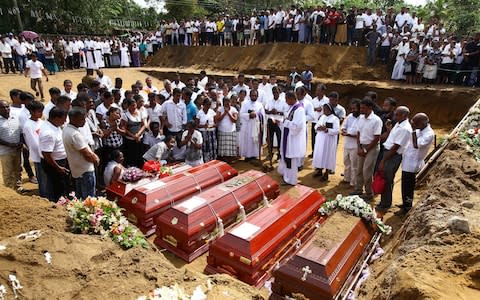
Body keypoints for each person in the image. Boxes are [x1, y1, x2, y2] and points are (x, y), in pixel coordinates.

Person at [377, 106, 412, 212]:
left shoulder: (405, 129)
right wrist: (389, 130)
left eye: (397, 114)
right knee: (385, 177)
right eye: (395, 114)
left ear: (405, 116)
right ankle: (384, 201)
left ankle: (385, 204)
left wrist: (383, 161)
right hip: (388, 153)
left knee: (387, 179)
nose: (395, 116)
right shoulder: (399, 124)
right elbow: (394, 138)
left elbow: (395, 147)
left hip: (392, 155)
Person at [398, 113, 434, 215]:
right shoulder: (420, 129)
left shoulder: (429, 134)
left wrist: (413, 130)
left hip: (413, 163)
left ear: (422, 123)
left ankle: (407, 207)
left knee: (408, 187)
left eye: (415, 123)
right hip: (407, 161)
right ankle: (405, 202)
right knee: (404, 185)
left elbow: (416, 145)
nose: (413, 124)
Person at [63, 107, 99, 199]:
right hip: (85, 171)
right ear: (73, 119)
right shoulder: (75, 134)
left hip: (77, 170)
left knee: (81, 197)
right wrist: (96, 159)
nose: (84, 121)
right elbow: (87, 155)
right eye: (82, 119)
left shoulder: (66, 129)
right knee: (89, 199)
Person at [351, 98, 382, 201]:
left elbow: (377, 137)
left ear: (370, 108)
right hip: (362, 146)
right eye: (361, 107)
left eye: (363, 108)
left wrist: (365, 150)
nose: (361, 109)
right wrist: (359, 147)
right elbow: (358, 132)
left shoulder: (376, 120)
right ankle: (358, 189)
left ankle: (369, 193)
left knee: (367, 171)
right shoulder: (360, 118)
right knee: (359, 169)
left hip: (372, 147)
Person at [40, 107, 69, 201]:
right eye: (63, 119)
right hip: (54, 164)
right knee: (57, 188)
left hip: (59, 161)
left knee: (61, 186)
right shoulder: (48, 132)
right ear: (56, 118)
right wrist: (58, 167)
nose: (64, 122)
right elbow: (46, 154)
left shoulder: (54, 126)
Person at [278, 91, 306, 185]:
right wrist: (282, 122)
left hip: (293, 139)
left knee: (291, 160)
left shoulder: (299, 109)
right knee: (287, 158)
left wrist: (285, 123)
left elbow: (298, 126)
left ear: (292, 98)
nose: (286, 101)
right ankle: (287, 177)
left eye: (286, 99)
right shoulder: (292, 108)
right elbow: (288, 120)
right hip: (288, 136)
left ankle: (291, 180)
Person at [23, 101, 48, 197]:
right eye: (38, 111)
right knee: (42, 178)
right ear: (32, 112)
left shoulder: (42, 122)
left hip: (46, 154)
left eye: (42, 111)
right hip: (38, 156)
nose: (41, 113)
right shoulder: (28, 125)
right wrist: (43, 154)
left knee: (47, 177)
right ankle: (44, 196)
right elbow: (33, 143)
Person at [312, 103, 340, 181]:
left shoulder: (335, 119)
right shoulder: (322, 117)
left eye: (326, 109)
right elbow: (315, 126)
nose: (324, 111)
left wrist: (327, 130)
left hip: (329, 141)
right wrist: (318, 128)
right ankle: (320, 170)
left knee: (327, 156)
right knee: (320, 154)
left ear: (330, 110)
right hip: (320, 140)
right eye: (323, 109)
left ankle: (326, 173)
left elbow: (337, 130)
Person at [0, 100, 23, 191]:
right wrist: (10, 144)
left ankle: (19, 188)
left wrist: (20, 143)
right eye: (3, 107)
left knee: (18, 170)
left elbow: (21, 132)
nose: (6, 109)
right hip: (5, 151)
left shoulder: (15, 117)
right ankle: (9, 191)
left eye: (7, 107)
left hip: (17, 150)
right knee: (8, 172)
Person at [120, 99, 148, 167]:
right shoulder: (125, 115)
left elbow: (144, 125)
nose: (134, 107)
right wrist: (133, 136)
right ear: (128, 106)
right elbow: (124, 128)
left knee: (140, 156)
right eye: (132, 106)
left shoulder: (140, 113)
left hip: (139, 139)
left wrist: (138, 135)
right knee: (131, 157)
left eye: (135, 105)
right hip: (130, 140)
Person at [239, 90, 265, 161]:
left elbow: (263, 115)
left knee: (255, 140)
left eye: (255, 96)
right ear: (249, 96)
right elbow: (241, 114)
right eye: (252, 95)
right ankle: (247, 156)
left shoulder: (260, 105)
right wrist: (249, 115)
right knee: (247, 140)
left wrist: (256, 115)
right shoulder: (244, 103)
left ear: (257, 96)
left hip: (256, 125)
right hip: (247, 126)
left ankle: (255, 155)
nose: (254, 97)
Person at [265, 86, 288, 161]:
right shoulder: (269, 101)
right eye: (274, 92)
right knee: (270, 138)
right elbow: (266, 110)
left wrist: (277, 112)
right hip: (271, 121)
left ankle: (279, 154)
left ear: (279, 92)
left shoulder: (283, 102)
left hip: (279, 122)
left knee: (279, 138)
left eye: (277, 92)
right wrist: (271, 111)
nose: (275, 94)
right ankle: (270, 153)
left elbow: (285, 113)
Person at [342, 99, 361, 187]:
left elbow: (361, 134)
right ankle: (346, 178)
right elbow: (344, 126)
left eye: (355, 109)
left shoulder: (362, 118)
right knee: (346, 162)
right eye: (352, 108)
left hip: (355, 145)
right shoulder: (349, 116)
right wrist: (343, 130)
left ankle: (354, 182)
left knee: (354, 165)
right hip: (347, 143)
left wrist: (350, 134)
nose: (353, 110)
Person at [216, 97, 238, 161]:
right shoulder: (220, 109)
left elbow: (235, 120)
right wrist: (224, 113)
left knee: (230, 146)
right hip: (222, 130)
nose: (227, 104)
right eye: (225, 103)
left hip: (231, 130)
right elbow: (218, 119)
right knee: (223, 146)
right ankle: (223, 158)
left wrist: (228, 113)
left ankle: (230, 158)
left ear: (230, 102)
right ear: (223, 103)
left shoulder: (233, 109)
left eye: (228, 103)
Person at [196, 98, 217, 162]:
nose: (208, 106)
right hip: (203, 133)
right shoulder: (199, 113)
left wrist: (210, 126)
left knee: (212, 148)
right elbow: (197, 125)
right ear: (204, 104)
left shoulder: (212, 112)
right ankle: (205, 161)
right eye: (207, 104)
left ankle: (213, 161)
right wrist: (203, 126)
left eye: (209, 105)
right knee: (205, 149)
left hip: (211, 132)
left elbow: (216, 124)